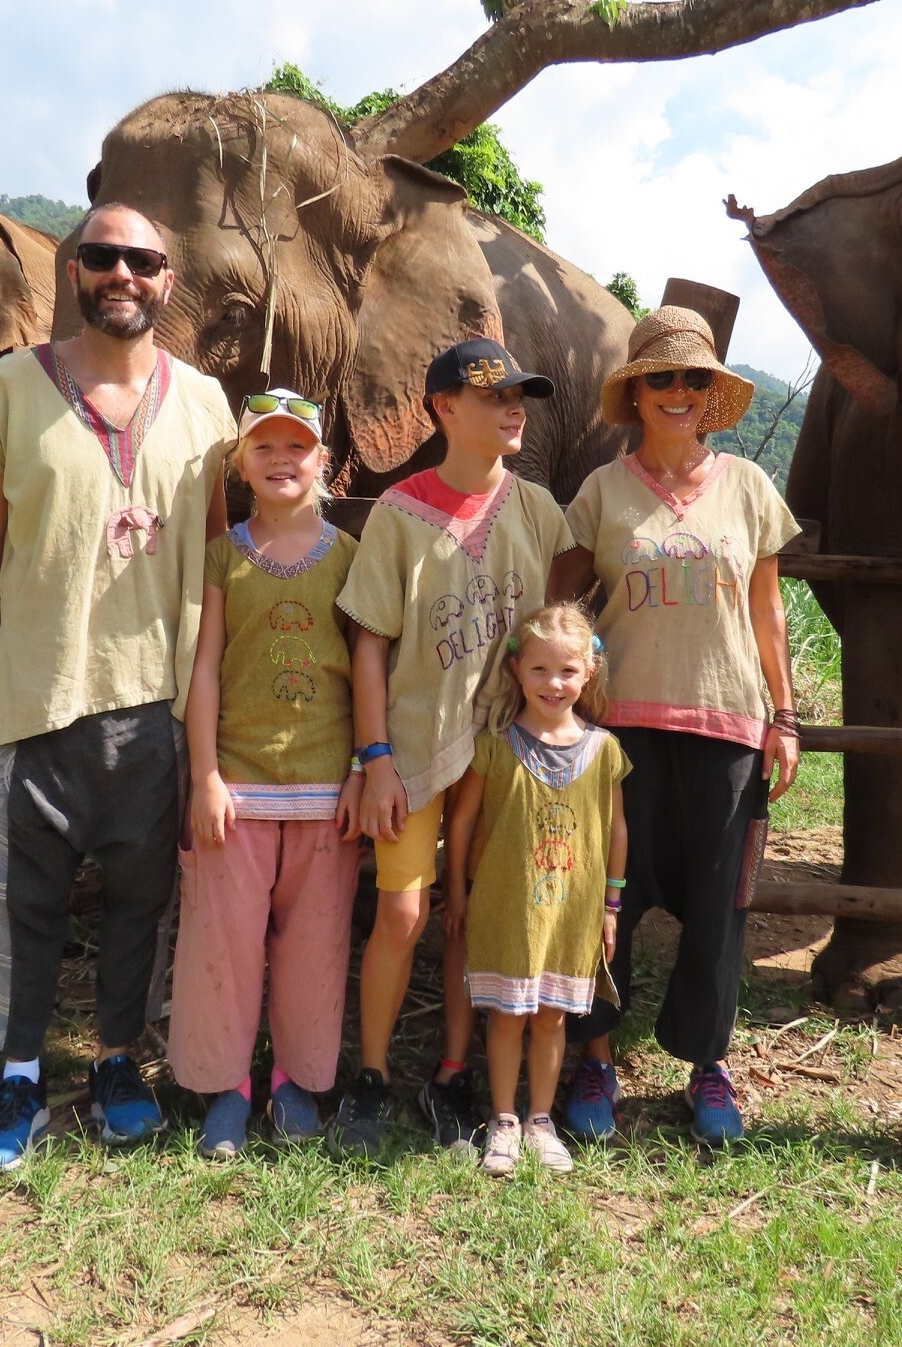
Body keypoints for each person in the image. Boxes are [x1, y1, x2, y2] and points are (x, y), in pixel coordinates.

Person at [0, 203, 234, 1171]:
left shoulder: (205, 402)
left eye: (145, 261)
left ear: (168, 279)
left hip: (153, 697)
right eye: (106, 256)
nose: (125, 274)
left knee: (139, 899)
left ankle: (119, 1061)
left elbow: (212, 554)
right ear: (74, 268)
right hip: (35, 690)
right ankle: (21, 1076)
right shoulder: (11, 387)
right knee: (26, 903)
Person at [552, 305, 801, 1146]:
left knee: (719, 913)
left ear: (711, 395)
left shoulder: (750, 489)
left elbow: (768, 609)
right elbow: (559, 605)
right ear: (636, 392)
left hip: (729, 726)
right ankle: (596, 1057)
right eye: (662, 377)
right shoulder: (602, 493)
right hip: (619, 732)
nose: (680, 392)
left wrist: (787, 715)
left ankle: (709, 1067)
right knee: (606, 900)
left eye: (696, 379)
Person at [329, 337, 574, 1157]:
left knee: (476, 917)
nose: (514, 410)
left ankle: (452, 1073)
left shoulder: (538, 512)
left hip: (506, 755)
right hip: (416, 748)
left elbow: (559, 631)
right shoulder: (400, 513)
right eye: (494, 396)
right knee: (402, 911)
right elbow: (369, 643)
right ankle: (369, 1077)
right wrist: (375, 757)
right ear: (443, 409)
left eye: (520, 397)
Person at [173, 388, 363, 1157]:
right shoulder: (223, 558)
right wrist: (205, 776)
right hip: (238, 789)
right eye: (265, 448)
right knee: (221, 939)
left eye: (297, 447)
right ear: (241, 464)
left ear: (323, 460)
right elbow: (206, 668)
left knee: (314, 943)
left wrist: (360, 770)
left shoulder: (348, 558)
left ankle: (295, 1081)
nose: (282, 460)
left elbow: (366, 672)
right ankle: (227, 1085)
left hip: (325, 789)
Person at [444, 604, 628, 1177]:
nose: (555, 683)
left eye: (568, 671)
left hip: (572, 913)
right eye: (541, 670)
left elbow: (617, 829)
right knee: (506, 1014)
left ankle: (541, 1120)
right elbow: (463, 824)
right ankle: (503, 1120)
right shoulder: (495, 745)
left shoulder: (604, 751)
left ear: (589, 672)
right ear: (517, 670)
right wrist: (456, 890)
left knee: (550, 1016)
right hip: (506, 908)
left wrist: (612, 902)